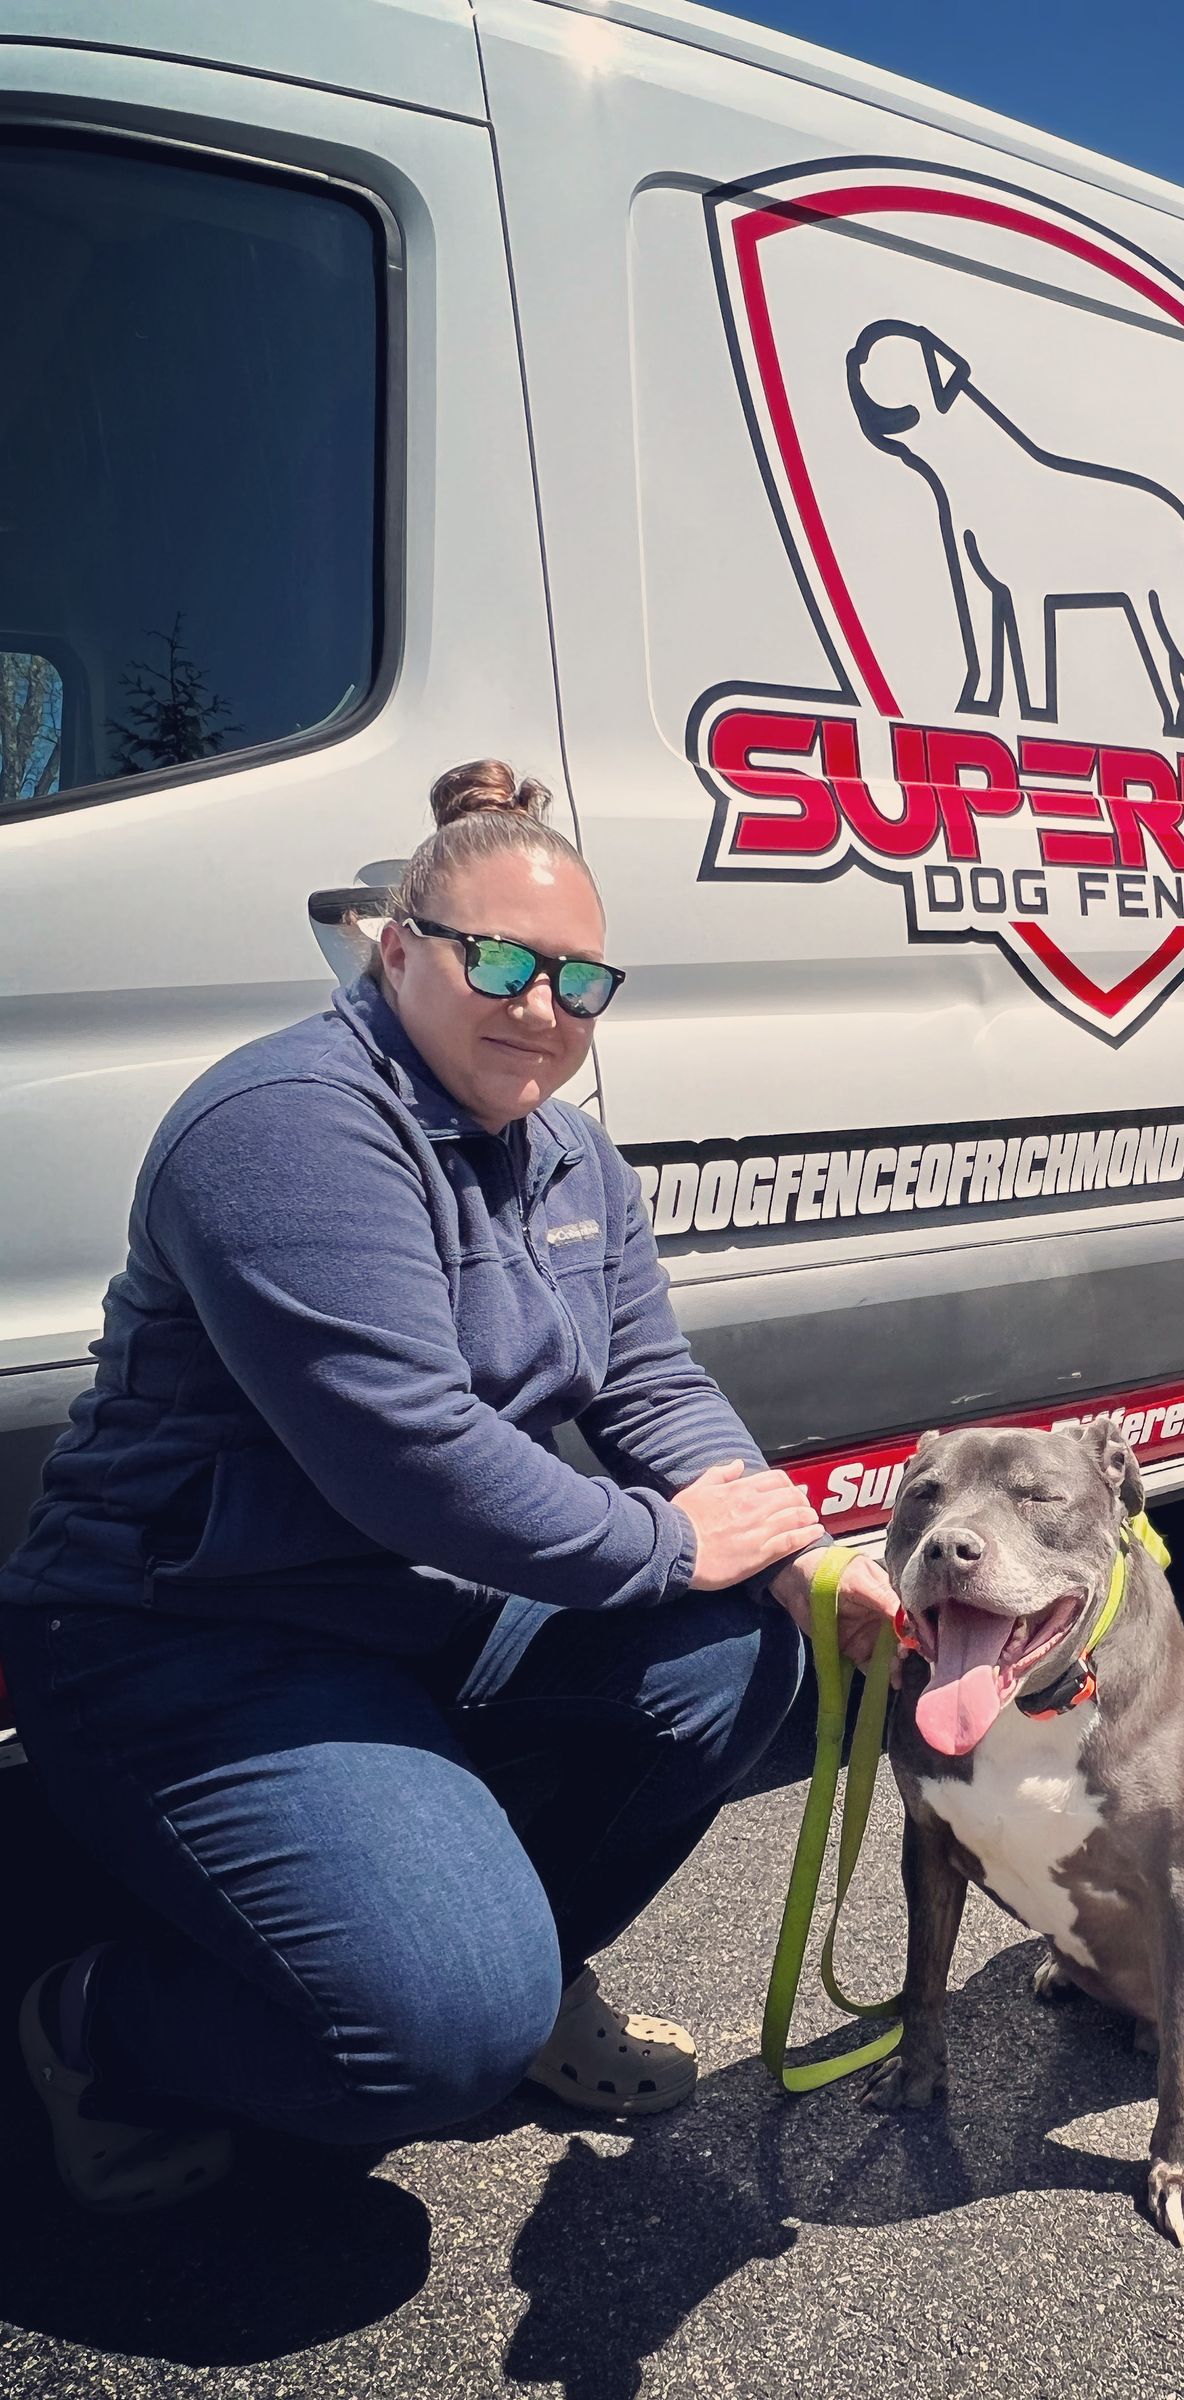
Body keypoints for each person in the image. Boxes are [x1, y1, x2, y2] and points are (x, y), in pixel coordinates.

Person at [1, 761, 897, 2212]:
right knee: (432, 2043)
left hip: (406, 1612)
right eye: (500, 960)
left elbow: (651, 1387)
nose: (542, 1008)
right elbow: (413, 1463)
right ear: (399, 946)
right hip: (193, 1636)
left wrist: (800, 1557)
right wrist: (671, 1541)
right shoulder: (291, 1127)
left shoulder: (569, 1154)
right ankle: (97, 2025)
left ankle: (514, 1971)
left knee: (736, 1656)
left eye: (580, 980)